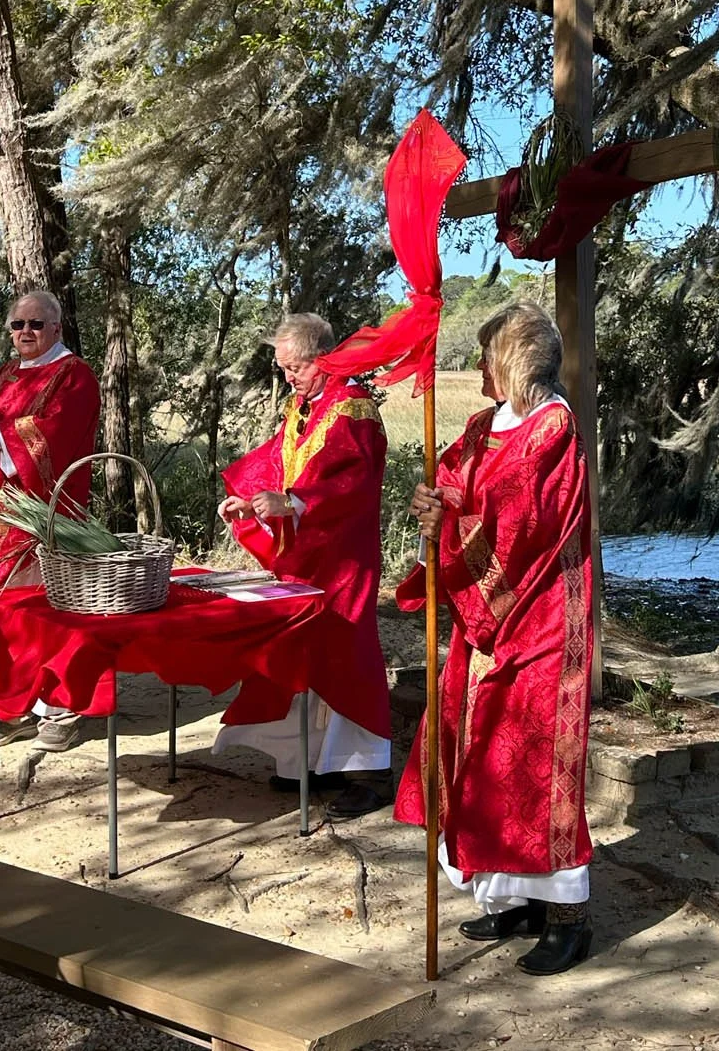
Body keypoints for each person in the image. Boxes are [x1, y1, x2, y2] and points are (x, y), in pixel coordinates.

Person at [395, 301, 594, 975]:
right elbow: (458, 479)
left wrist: (452, 524)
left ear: (511, 361)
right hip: (485, 622)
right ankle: (512, 895)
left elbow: (523, 518)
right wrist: (434, 502)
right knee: (479, 761)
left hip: (540, 618)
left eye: (487, 357)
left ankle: (567, 916)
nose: (479, 369)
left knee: (535, 766)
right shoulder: (484, 424)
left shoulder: (553, 427)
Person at [215, 312, 393, 820]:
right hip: (305, 555)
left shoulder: (354, 410)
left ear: (324, 359)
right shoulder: (304, 405)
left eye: (295, 367)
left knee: (346, 656)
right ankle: (314, 763)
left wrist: (292, 502)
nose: (288, 376)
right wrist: (253, 501)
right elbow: (280, 462)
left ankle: (370, 774)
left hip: (343, 558)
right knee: (304, 653)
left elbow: (351, 484)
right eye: (284, 368)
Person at [0, 289, 101, 752]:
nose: (26, 332)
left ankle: (60, 710)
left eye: (36, 324)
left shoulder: (75, 375)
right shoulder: (7, 373)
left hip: (45, 516)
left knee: (45, 615)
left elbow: (55, 435)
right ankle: (11, 704)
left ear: (56, 328)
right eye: (18, 325)